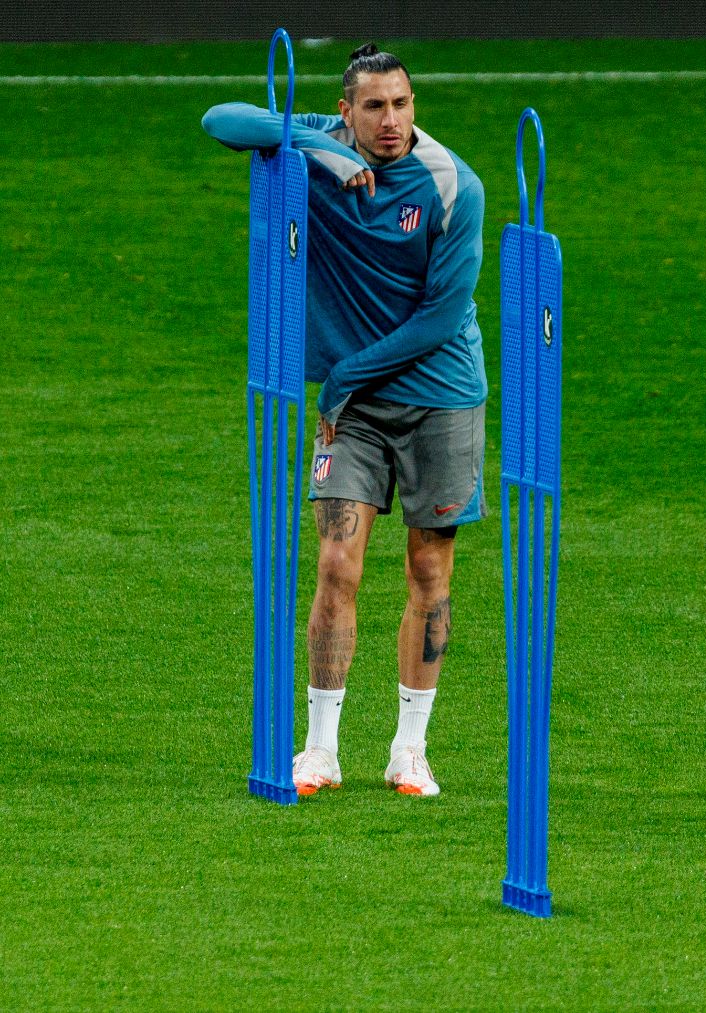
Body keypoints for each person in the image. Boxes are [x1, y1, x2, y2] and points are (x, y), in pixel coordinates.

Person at [203, 43, 487, 798]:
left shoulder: (454, 185)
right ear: (346, 111)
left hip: (440, 394)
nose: (391, 121)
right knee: (336, 562)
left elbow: (440, 318)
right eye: (374, 107)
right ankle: (320, 750)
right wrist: (319, 158)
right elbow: (222, 119)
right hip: (355, 416)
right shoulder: (323, 146)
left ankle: (409, 750)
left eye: (401, 104)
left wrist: (343, 380)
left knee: (429, 569)